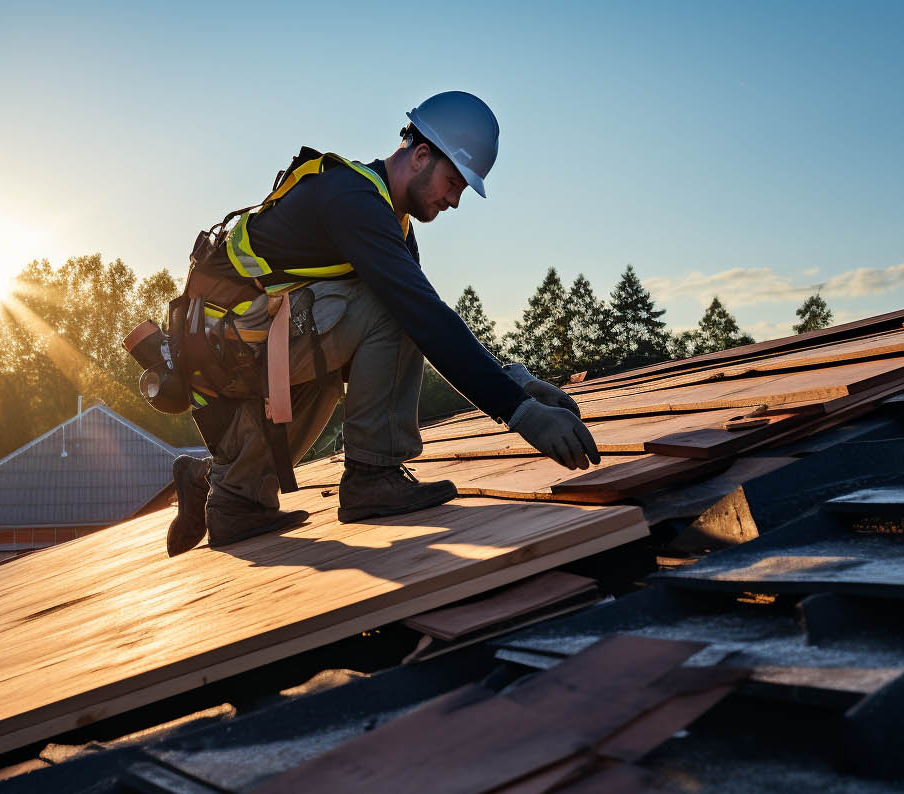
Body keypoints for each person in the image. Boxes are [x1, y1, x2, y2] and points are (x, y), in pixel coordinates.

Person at [167, 91, 599, 555]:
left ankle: (231, 495)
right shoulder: (352, 199)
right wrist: (519, 412)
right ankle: (374, 475)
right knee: (391, 308)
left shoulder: (387, 219)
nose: (454, 201)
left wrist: (519, 382)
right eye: (453, 183)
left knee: (365, 336)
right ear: (420, 156)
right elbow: (420, 314)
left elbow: (433, 313)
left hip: (242, 362)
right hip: (226, 361)